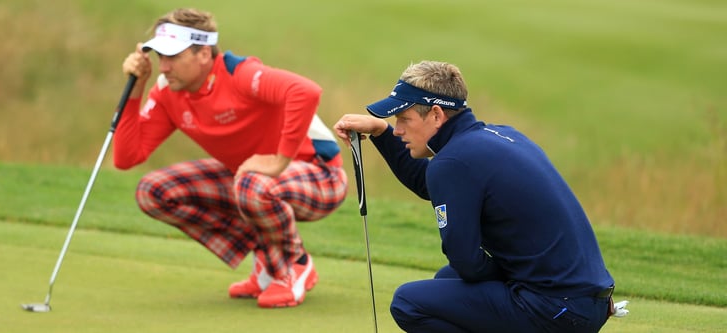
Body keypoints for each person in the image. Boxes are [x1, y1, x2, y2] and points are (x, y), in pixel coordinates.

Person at [333, 60, 615, 332]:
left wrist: (507, 276)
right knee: (447, 280)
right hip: (583, 303)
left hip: (557, 310)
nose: (400, 129)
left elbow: (466, 261)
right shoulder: (499, 137)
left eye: (404, 119)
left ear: (435, 114)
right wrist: (382, 133)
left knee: (409, 303)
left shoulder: (454, 162)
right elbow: (428, 182)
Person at [117, 8, 347, 308]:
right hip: (250, 180)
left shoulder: (240, 74)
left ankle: (295, 264)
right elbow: (127, 156)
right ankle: (269, 257)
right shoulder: (168, 93)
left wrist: (278, 160)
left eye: (172, 57)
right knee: (154, 192)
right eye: (160, 57)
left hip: (320, 175)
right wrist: (136, 88)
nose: (163, 67)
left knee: (252, 185)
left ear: (203, 54)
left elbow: (305, 91)